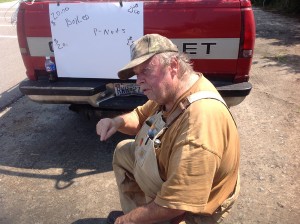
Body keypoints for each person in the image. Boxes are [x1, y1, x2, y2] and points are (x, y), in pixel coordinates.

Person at [96, 34, 240, 224]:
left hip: (193, 209)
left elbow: (176, 204)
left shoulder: (201, 119)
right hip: (172, 182)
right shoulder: (171, 92)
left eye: (146, 70)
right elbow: (140, 117)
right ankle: (144, 214)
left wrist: (125, 221)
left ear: (173, 65)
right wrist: (116, 122)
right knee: (124, 152)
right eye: (136, 74)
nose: (138, 81)